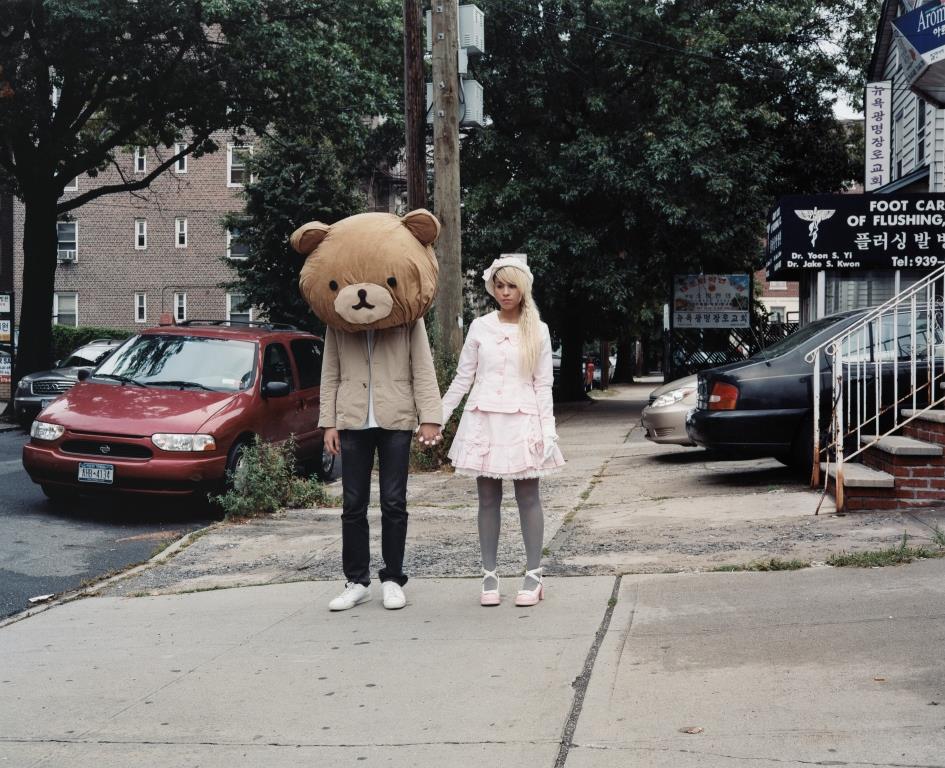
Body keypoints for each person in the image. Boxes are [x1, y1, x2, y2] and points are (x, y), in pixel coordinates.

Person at [441, 256, 565, 607]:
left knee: (528, 497)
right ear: (492, 288)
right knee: (487, 499)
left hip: (523, 419)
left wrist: (548, 430)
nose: (505, 292)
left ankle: (533, 575)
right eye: (499, 285)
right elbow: (464, 377)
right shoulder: (480, 326)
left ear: (523, 287)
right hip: (484, 420)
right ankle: (490, 576)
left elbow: (543, 385)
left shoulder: (537, 329)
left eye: (511, 286)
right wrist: (437, 415)